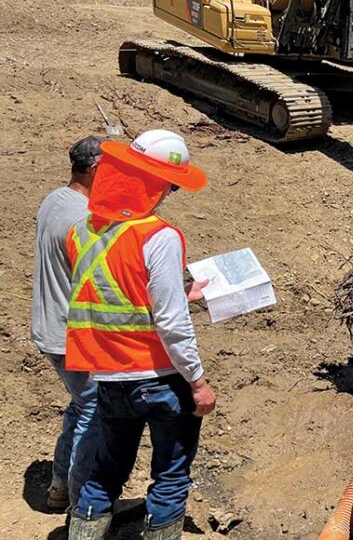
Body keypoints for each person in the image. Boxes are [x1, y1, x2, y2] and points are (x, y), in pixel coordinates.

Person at [67, 130, 214, 540]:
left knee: (105, 471)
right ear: (155, 182)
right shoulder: (159, 236)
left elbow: (118, 295)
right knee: (170, 475)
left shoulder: (82, 231)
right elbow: (170, 322)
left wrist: (184, 292)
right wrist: (198, 382)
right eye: (170, 184)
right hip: (161, 377)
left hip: (109, 377)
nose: (169, 193)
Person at [32, 136, 104, 511]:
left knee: (80, 405)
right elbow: (97, 280)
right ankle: (83, 505)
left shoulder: (54, 200)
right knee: (94, 411)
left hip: (49, 326)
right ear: (93, 169)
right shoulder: (83, 218)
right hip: (69, 334)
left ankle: (60, 488)